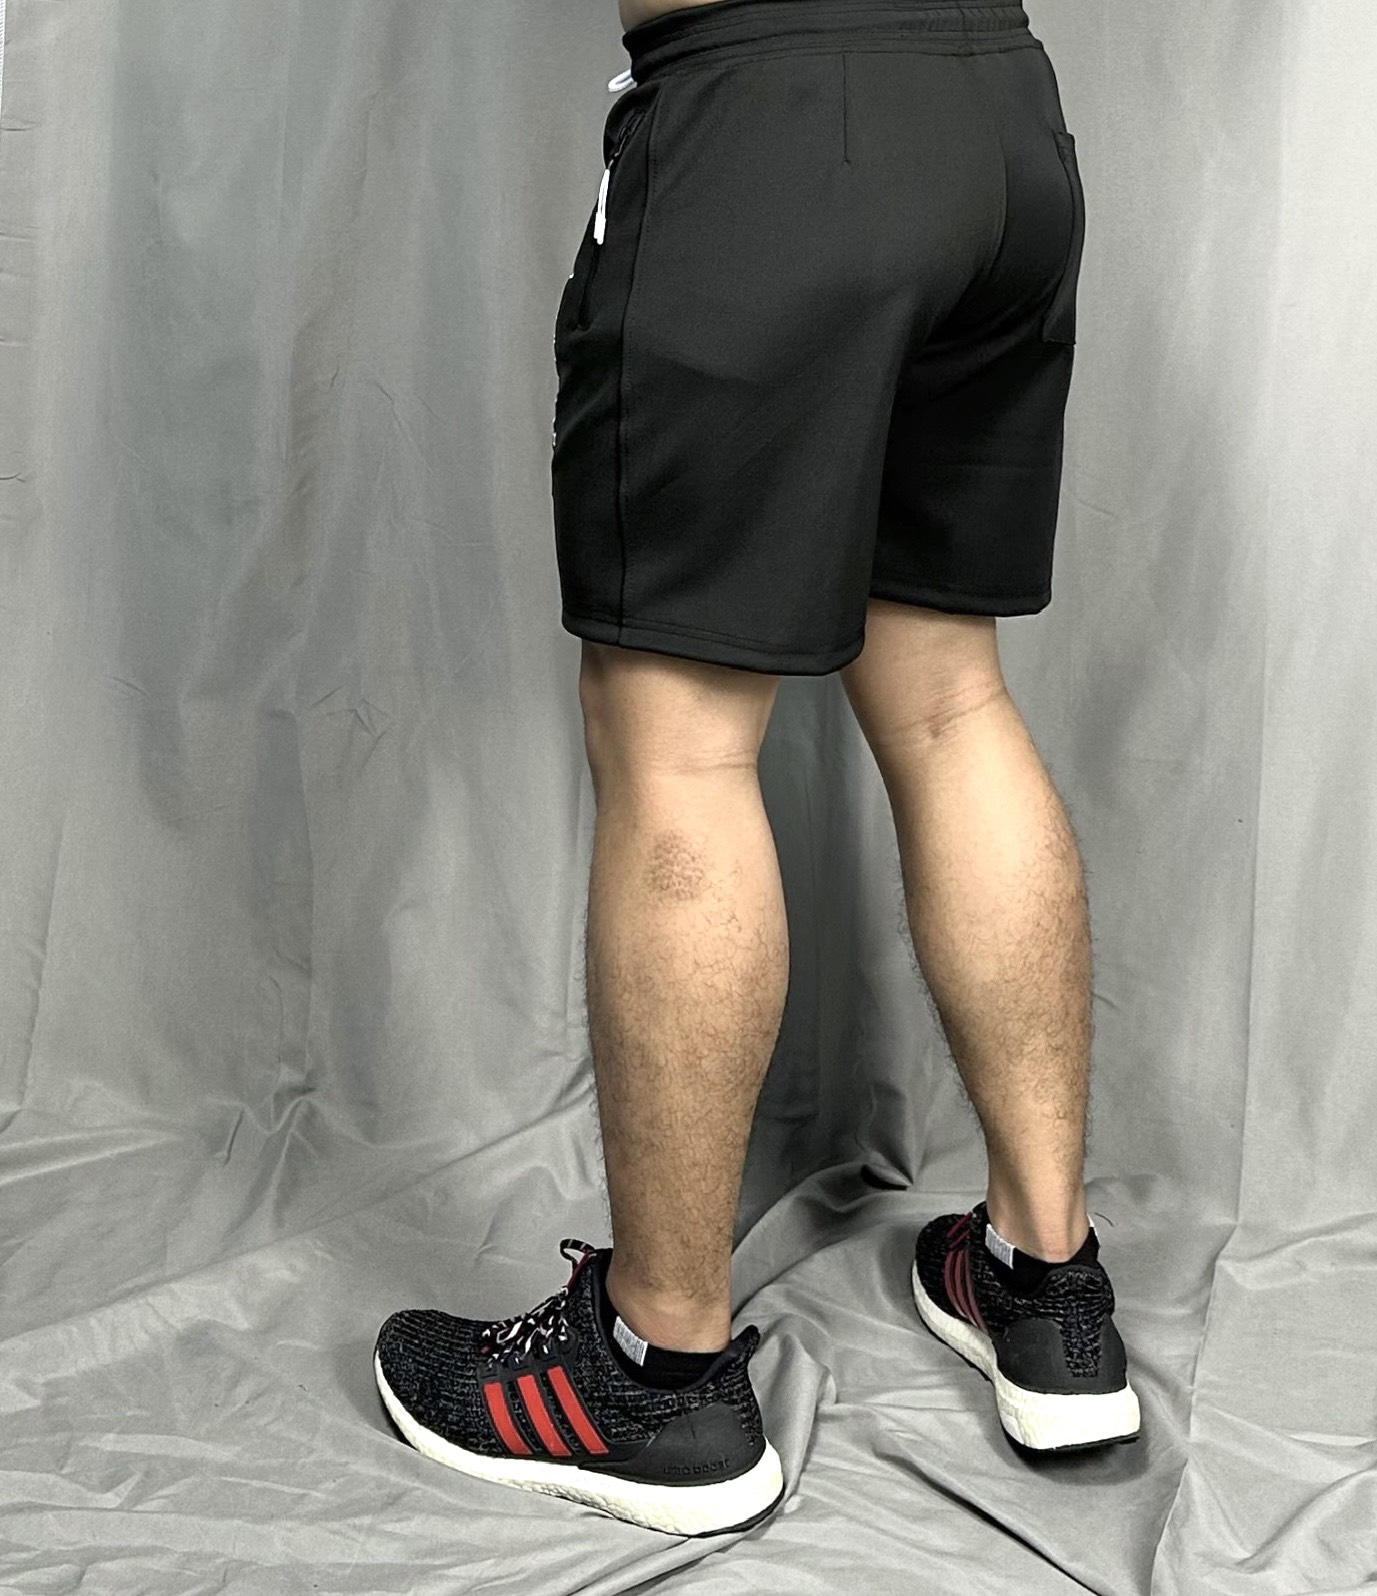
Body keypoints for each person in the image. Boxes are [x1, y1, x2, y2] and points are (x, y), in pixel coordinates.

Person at [372, 0, 1139, 1537]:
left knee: (680, 749)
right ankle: (1047, 1286)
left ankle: (656, 1374)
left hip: (771, 121)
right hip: (995, 112)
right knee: (948, 700)